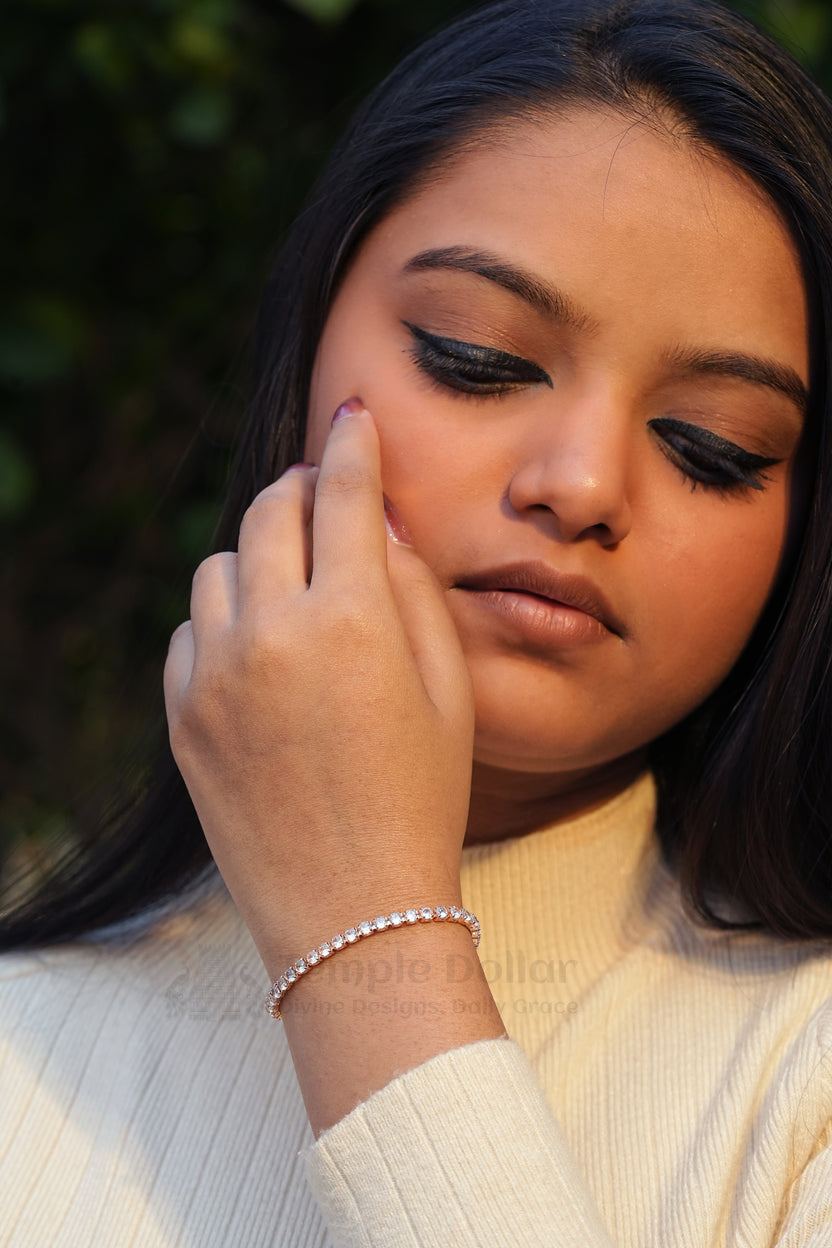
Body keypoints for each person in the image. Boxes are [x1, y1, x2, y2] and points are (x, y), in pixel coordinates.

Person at [2, 0, 832, 1242]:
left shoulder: (801, 1081)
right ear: (303, 350)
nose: (584, 485)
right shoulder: (27, 1037)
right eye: (475, 357)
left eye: (711, 446)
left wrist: (364, 946)